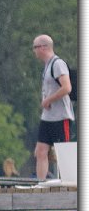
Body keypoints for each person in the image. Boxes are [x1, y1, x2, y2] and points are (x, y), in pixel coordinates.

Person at [32, 34, 74, 181]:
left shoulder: (57, 64)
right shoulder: (47, 65)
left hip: (61, 116)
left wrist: (48, 100)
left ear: (44, 47)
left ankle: (69, 182)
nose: (34, 51)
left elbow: (67, 87)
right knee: (41, 151)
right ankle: (40, 183)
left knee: (63, 152)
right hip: (47, 117)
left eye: (35, 47)